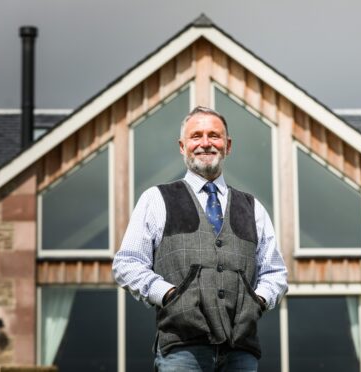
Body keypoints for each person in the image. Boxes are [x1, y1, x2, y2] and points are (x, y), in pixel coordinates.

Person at [113, 106, 288, 371]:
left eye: (214, 136)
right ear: (182, 146)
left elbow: (275, 272)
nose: (205, 143)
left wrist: (258, 301)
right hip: (181, 349)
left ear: (227, 145)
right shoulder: (156, 199)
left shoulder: (253, 208)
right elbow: (127, 264)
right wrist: (170, 294)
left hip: (241, 350)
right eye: (196, 136)